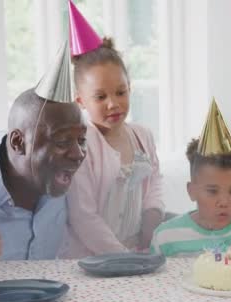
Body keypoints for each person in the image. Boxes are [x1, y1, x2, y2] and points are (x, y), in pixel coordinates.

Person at [63, 1, 164, 257]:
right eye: (100, 97)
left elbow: (154, 181)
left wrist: (153, 215)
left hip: (136, 251)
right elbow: (83, 216)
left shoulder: (143, 136)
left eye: (121, 92)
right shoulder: (82, 147)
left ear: (130, 87)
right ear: (80, 101)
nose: (113, 104)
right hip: (90, 258)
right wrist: (121, 256)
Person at [0, 42, 87, 260]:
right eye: (62, 141)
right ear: (18, 143)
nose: (78, 154)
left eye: (81, 140)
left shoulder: (66, 180)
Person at [150, 100, 231, 257]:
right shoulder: (166, 237)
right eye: (212, 191)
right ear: (192, 191)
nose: (223, 202)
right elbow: (155, 281)